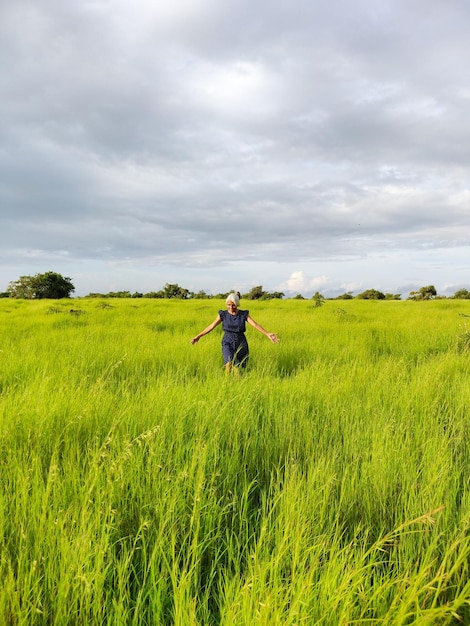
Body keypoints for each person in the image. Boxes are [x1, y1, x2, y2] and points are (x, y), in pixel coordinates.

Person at [191, 292, 279, 372]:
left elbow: (255, 325)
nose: (231, 307)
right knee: (229, 363)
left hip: (240, 342)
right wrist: (198, 336)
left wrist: (267, 333)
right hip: (227, 341)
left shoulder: (243, 314)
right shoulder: (223, 314)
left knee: (238, 368)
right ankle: (227, 383)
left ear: (237, 304)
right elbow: (212, 326)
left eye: (233, 305)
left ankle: (237, 385)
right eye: (228, 305)